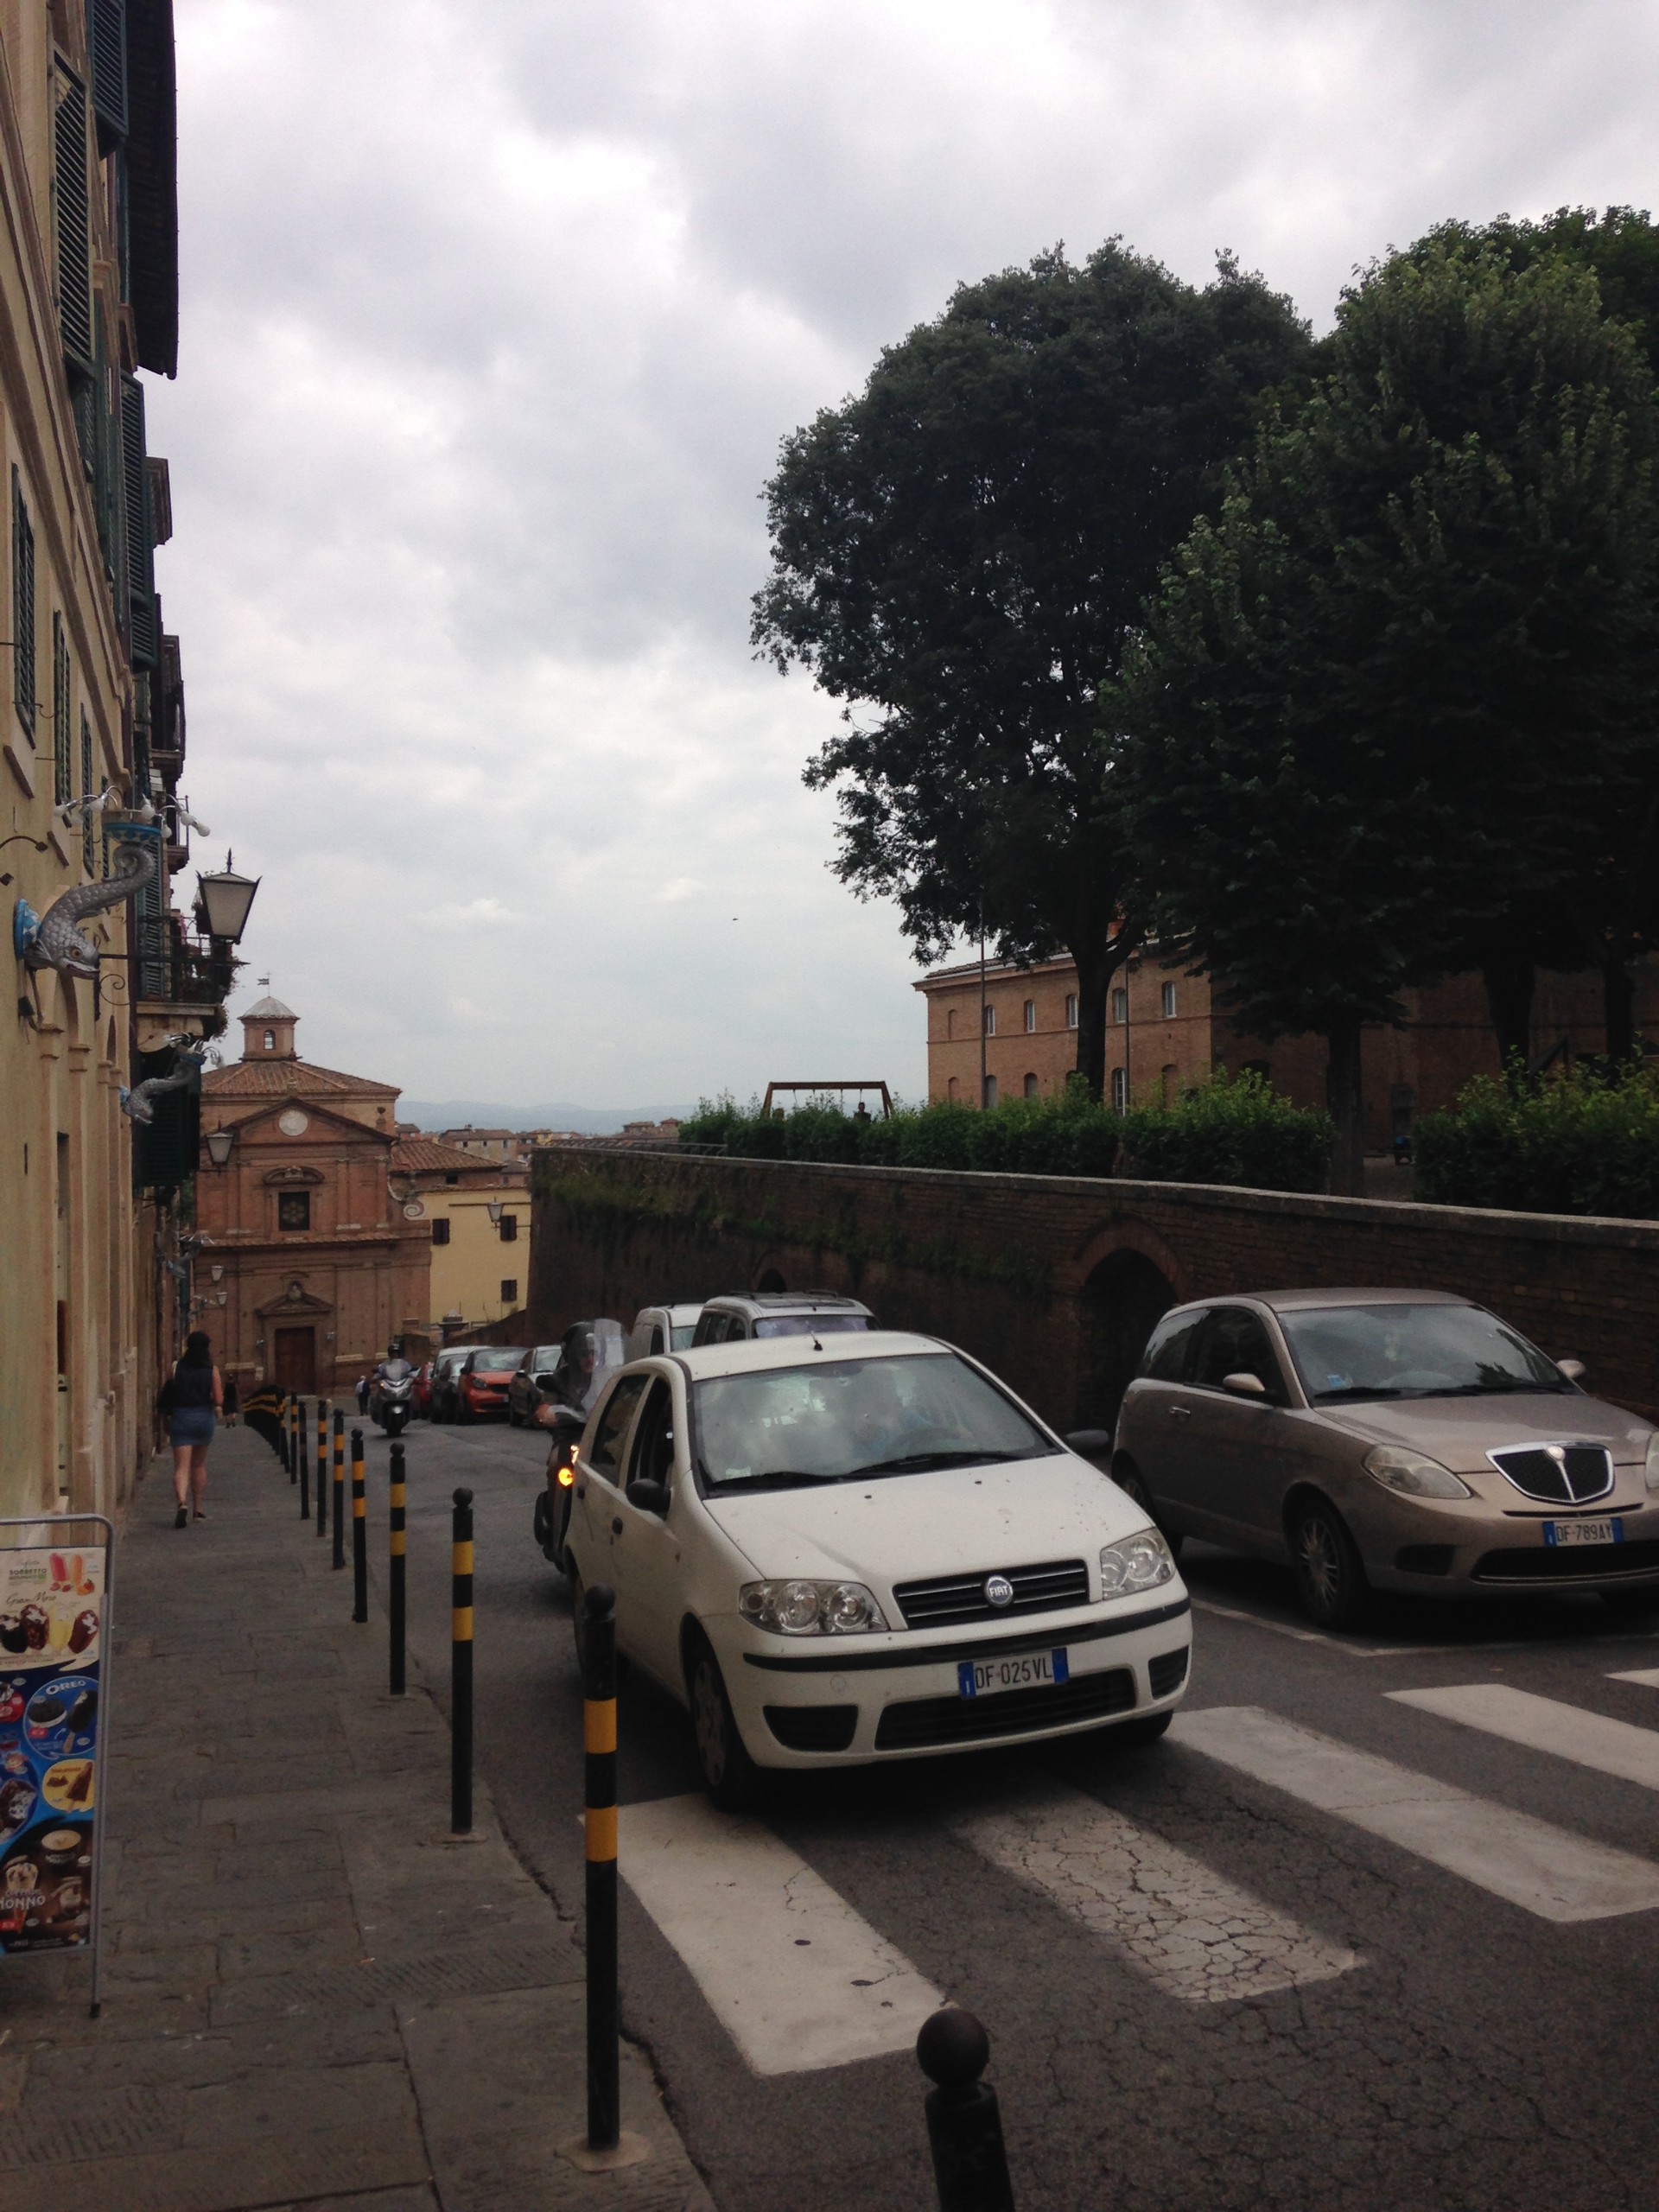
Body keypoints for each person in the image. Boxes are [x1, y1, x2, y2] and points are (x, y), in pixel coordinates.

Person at [163, 1331, 222, 1529]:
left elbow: (168, 1391)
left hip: (181, 1417)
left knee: (182, 1467)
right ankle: (198, 1509)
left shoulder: (176, 1368)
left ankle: (182, 1502)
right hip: (203, 1419)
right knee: (199, 1465)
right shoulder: (211, 1370)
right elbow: (219, 1398)